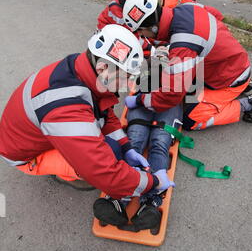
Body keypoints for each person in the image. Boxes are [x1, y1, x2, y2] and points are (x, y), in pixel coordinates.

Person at [0, 25, 174, 226]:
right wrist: (152, 183)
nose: (129, 85)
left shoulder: (82, 68)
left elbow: (103, 110)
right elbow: (103, 171)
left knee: (114, 148)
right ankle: (62, 172)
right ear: (102, 68)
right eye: (126, 77)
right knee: (92, 167)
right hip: (23, 154)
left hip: (36, 130)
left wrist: (126, 147)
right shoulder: (66, 108)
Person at [122, 0, 252, 130]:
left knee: (191, 118)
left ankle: (249, 103)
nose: (140, 34)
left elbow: (172, 95)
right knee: (169, 73)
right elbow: (217, 15)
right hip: (230, 63)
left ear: (153, 27)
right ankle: (246, 84)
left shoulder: (183, 44)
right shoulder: (186, 7)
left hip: (228, 78)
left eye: (140, 31)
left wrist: (141, 101)